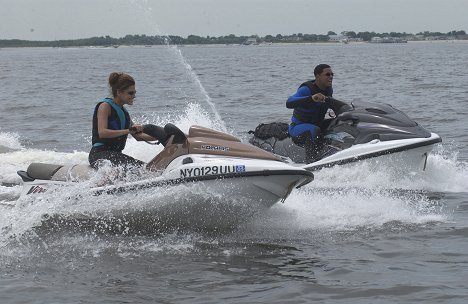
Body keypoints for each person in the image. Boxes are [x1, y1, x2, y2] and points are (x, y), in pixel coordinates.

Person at [89, 72, 167, 169]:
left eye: (135, 92)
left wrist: (162, 137)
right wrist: (128, 130)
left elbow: (139, 136)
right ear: (118, 92)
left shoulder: (124, 113)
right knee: (142, 170)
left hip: (115, 155)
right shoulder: (105, 106)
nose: (134, 96)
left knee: (146, 168)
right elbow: (102, 132)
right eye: (130, 93)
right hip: (99, 155)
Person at [286, 64, 334, 163]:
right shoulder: (306, 89)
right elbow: (289, 102)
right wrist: (312, 98)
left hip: (316, 124)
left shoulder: (329, 90)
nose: (331, 77)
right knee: (313, 130)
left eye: (332, 74)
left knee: (338, 122)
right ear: (317, 77)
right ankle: (311, 162)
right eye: (327, 74)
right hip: (297, 128)